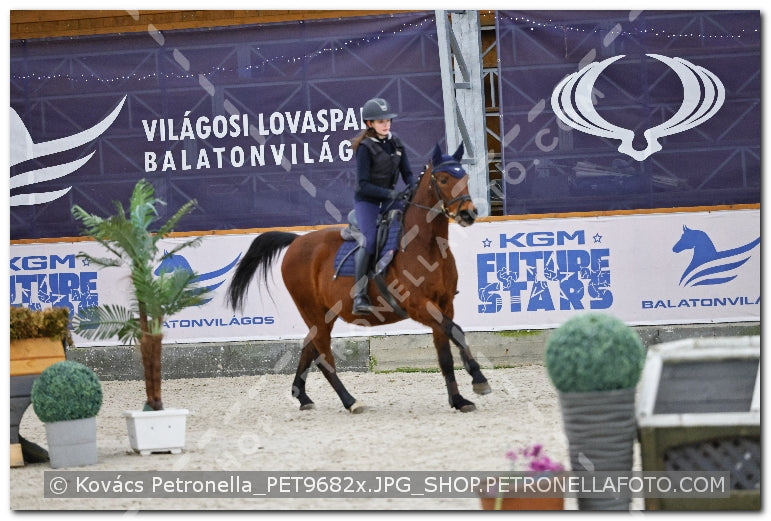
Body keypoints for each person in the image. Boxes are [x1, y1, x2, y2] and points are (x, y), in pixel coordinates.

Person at [349, 97, 415, 315]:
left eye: (387, 120)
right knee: (369, 242)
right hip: (367, 202)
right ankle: (360, 296)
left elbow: (407, 174)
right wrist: (389, 193)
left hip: (390, 198)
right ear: (369, 124)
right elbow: (364, 184)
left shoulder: (396, 142)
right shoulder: (364, 148)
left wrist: (414, 190)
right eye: (380, 121)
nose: (385, 124)